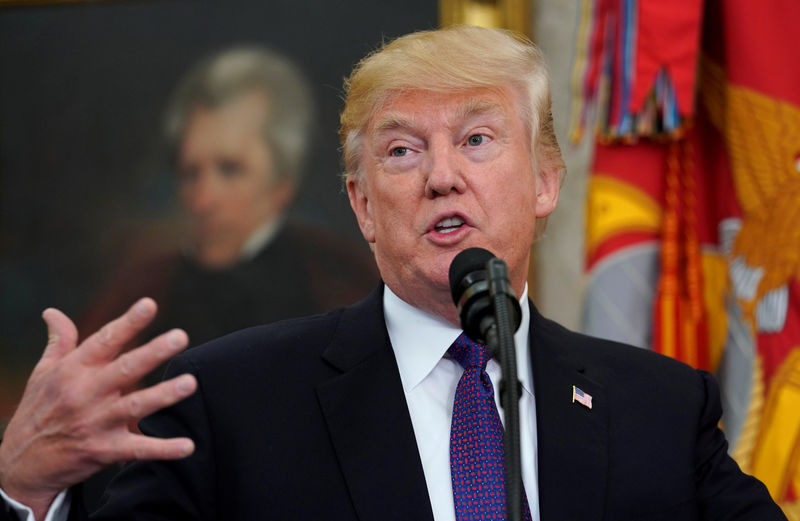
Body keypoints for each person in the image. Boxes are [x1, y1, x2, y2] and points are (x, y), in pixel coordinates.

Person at [0, 26, 786, 521]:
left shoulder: (658, 407)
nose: (442, 176)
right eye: (402, 151)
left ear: (547, 180)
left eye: (477, 139)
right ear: (363, 205)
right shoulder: (230, 405)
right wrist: (21, 493)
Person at [79, 46, 378, 350]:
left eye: (230, 170)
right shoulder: (142, 289)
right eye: (190, 173)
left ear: (282, 182)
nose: (202, 201)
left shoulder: (339, 279)